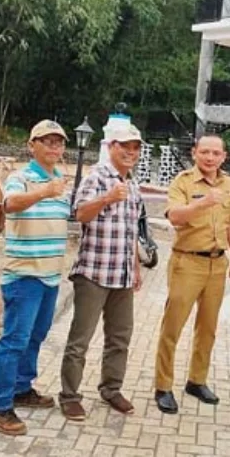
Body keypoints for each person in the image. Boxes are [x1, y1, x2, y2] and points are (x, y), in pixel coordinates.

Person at [0, 120, 73, 436]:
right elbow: (9, 206)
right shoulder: (19, 178)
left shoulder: (62, 182)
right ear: (31, 145)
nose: (54, 147)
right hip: (24, 276)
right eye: (46, 141)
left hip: (50, 277)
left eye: (58, 142)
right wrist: (43, 191)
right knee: (14, 340)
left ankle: (22, 388)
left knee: (35, 337)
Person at [58, 123, 145, 421]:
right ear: (111, 147)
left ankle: (111, 388)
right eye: (125, 146)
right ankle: (69, 395)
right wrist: (107, 198)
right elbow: (80, 214)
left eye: (136, 148)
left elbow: (132, 230)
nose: (131, 152)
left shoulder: (133, 183)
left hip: (121, 275)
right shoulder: (96, 177)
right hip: (93, 273)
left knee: (120, 338)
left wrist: (135, 267)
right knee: (80, 339)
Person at [153, 135, 230, 414]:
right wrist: (201, 203)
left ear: (223, 156)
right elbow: (175, 217)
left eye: (216, 153)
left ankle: (197, 380)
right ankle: (163, 385)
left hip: (217, 264)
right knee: (173, 326)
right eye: (204, 152)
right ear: (194, 153)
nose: (210, 157)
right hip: (187, 263)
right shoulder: (183, 181)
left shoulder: (228, 183)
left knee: (208, 328)